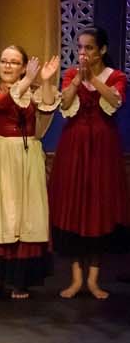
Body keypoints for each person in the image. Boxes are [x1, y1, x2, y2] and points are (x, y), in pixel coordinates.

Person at [0, 46, 59, 298]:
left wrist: (45, 81)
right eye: (4, 61)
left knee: (23, 216)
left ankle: (19, 281)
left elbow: (48, 107)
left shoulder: (33, 90)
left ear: (24, 67)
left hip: (25, 158)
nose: (7, 66)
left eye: (14, 62)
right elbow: (2, 103)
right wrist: (27, 81)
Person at [50, 26, 128, 299]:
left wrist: (93, 78)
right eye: (80, 47)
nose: (83, 53)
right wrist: (76, 80)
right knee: (74, 207)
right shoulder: (71, 74)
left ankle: (93, 280)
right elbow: (65, 105)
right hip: (74, 147)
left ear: (102, 50)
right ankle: (75, 279)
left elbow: (115, 101)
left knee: (98, 208)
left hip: (103, 149)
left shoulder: (116, 76)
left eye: (89, 48)